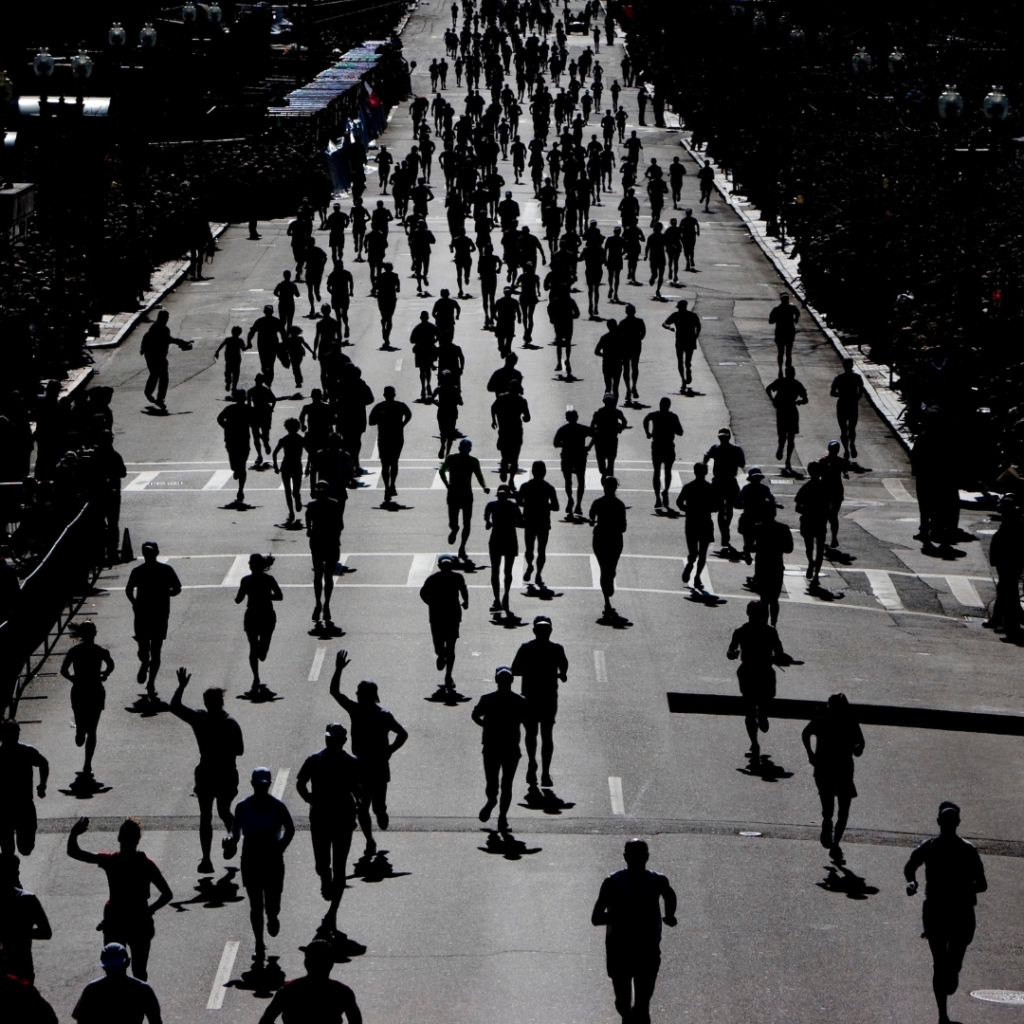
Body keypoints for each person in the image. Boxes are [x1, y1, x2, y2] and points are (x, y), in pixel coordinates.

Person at [904, 802, 988, 1024]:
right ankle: (942, 1015)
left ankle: (952, 974)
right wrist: (912, 882)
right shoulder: (928, 847)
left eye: (952, 822)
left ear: (957, 823)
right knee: (940, 963)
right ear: (939, 823)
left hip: (961, 913)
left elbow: (982, 883)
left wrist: (962, 889)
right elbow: (910, 866)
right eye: (946, 822)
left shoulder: (968, 850)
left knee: (952, 966)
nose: (948, 826)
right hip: (936, 912)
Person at [67, 817, 173, 981]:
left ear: (119, 838)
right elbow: (167, 894)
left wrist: (74, 834)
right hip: (139, 922)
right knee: (139, 971)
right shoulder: (145, 865)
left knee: (113, 970)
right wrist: (148, 911)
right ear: (137, 840)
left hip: (115, 921)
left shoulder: (111, 861)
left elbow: (74, 852)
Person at [591, 839, 677, 1024]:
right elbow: (596, 917)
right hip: (619, 951)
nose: (637, 860)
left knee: (642, 1006)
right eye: (633, 856)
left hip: (647, 950)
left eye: (640, 856)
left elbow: (669, 895)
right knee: (623, 1004)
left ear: (647, 857)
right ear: (625, 857)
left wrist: (670, 915)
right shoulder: (613, 882)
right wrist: (624, 917)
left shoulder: (657, 881)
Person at [329, 651, 408, 846]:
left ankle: (381, 813)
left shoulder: (383, 715)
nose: (356, 695)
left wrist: (390, 749)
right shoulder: (355, 710)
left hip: (379, 765)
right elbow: (335, 693)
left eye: (359, 693)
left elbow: (402, 733)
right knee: (362, 806)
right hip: (360, 765)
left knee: (377, 806)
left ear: (369, 696)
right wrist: (338, 669)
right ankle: (369, 840)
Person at [170, 667, 244, 874]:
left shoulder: (202, 719)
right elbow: (240, 750)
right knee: (217, 812)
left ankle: (213, 854)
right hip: (224, 773)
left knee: (212, 814)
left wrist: (181, 687)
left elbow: (175, 706)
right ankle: (218, 849)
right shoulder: (228, 723)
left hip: (212, 773)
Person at [296, 723, 362, 932]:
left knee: (341, 865)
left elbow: (358, 789)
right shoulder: (314, 759)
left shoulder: (352, 762)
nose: (330, 742)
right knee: (321, 864)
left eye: (335, 739)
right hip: (320, 818)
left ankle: (333, 911)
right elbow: (300, 782)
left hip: (343, 818)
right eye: (328, 738)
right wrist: (309, 799)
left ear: (343, 741)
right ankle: (325, 876)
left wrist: (359, 803)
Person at [224, 767, 295, 960]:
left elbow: (290, 828)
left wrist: (281, 847)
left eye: (264, 785)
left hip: (272, 856)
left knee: (272, 902)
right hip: (251, 856)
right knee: (255, 904)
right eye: (258, 785)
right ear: (253, 785)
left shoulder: (277, 806)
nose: (261, 788)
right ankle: (259, 944)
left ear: (268, 785)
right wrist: (230, 839)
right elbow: (235, 831)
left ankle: (272, 916)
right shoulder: (243, 806)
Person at [802, 693, 865, 863]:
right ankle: (832, 833)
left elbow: (805, 733)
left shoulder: (828, 721)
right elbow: (861, 743)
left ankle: (833, 835)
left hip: (831, 769)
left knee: (837, 807)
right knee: (839, 809)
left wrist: (810, 754)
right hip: (835, 769)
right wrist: (810, 753)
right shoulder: (841, 721)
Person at [511, 616, 568, 789]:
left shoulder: (529, 648)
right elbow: (564, 668)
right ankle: (539, 769)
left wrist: (528, 670)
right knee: (542, 734)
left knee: (536, 734)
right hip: (539, 697)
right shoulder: (553, 649)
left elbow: (514, 670)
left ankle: (539, 768)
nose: (543, 633)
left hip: (537, 697)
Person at [727, 600, 786, 761]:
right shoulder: (770, 632)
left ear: (748, 613)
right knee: (763, 701)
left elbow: (730, 652)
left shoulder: (740, 631)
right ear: (763, 614)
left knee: (749, 710)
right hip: (765, 671)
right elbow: (780, 653)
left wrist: (734, 653)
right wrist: (774, 657)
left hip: (747, 671)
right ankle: (763, 716)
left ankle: (754, 743)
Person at [471, 666, 528, 833]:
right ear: (512, 680)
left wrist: (486, 726)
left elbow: (475, 715)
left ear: (496, 680)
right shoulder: (520, 701)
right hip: (510, 747)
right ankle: (502, 818)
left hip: (491, 746)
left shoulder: (487, 699)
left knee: (492, 782)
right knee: (506, 784)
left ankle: (492, 803)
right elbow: (528, 719)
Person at [257, 939, 363, 1024]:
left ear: (306, 963)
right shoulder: (343, 992)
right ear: (331, 964)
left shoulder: (288, 990)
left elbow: (266, 1021)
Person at [59, 621, 114, 778]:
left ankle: (86, 760)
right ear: (94, 634)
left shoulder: (76, 651)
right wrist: (105, 673)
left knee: (88, 725)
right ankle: (86, 760)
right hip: (93, 689)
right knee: (91, 730)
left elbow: (64, 670)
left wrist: (73, 679)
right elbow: (111, 665)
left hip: (82, 690)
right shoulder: (99, 651)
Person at [72, 943, 162, 1024]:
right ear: (127, 962)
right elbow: (156, 1021)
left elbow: (82, 1021)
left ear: (103, 967)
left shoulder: (92, 989)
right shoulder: (143, 990)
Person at [234, 554, 283, 693]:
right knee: (259, 650)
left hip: (253, 615)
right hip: (266, 615)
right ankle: (256, 677)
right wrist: (267, 596)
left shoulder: (246, 580)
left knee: (255, 649)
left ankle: (256, 676)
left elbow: (238, 599)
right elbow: (279, 596)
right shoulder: (268, 579)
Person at [419, 554, 469, 689]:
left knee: (451, 647)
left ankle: (448, 675)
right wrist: (430, 603)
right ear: (440, 566)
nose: (446, 567)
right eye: (444, 565)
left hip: (450, 616)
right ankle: (441, 656)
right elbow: (423, 593)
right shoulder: (433, 579)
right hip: (438, 617)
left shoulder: (456, 578)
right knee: (439, 646)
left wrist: (465, 600)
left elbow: (463, 590)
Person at [0, 719, 48, 858]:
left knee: (25, 849)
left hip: (23, 806)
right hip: (6, 808)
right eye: (12, 734)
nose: (14, 737)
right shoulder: (23, 752)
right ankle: (10, 876)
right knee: (8, 851)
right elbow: (43, 763)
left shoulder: (26, 752)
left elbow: (43, 763)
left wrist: (42, 785)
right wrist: (42, 785)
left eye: (16, 734)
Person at [0, 852, 51, 982]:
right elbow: (46, 932)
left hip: (21, 970)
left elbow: (46, 932)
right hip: (22, 969)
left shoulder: (28, 900)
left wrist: (14, 933)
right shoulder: (28, 899)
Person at [439, 438, 490, 560]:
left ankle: (462, 547)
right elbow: (479, 476)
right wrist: (484, 486)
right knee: (460, 523)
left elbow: (442, 471)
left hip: (458, 495)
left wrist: (447, 485)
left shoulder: (457, 459)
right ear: (470, 449)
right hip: (462, 495)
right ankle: (456, 532)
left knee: (465, 523)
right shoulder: (470, 460)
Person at [305, 482, 345, 627]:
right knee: (327, 576)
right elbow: (340, 525)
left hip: (317, 542)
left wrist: (310, 529)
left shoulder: (312, 506)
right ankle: (326, 604)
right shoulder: (334, 505)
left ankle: (318, 604)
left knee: (318, 575)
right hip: (331, 542)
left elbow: (307, 518)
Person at [984, 495, 1024, 639]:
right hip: (1007, 562)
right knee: (1004, 591)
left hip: (1010, 562)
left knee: (1009, 594)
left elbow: (1010, 545)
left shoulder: (1014, 523)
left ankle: (1012, 627)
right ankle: (998, 620)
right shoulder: (1012, 520)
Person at [676, 462, 719, 590]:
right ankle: (697, 577)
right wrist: (708, 509)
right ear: (706, 473)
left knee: (694, 553)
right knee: (702, 553)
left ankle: (691, 567)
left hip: (692, 522)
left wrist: (688, 510)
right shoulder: (709, 488)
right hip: (704, 522)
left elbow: (679, 502)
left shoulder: (689, 487)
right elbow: (716, 506)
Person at [748, 504, 793, 627]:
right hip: (776, 566)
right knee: (774, 599)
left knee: (764, 598)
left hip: (762, 567)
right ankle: (773, 624)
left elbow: (750, 547)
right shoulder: (783, 528)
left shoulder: (758, 528)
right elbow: (789, 549)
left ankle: (764, 623)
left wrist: (759, 547)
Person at [589, 476, 627, 620]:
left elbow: (591, 517)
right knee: (608, 568)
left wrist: (594, 521)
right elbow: (623, 528)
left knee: (605, 569)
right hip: (614, 538)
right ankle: (607, 600)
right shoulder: (619, 505)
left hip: (600, 537)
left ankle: (607, 599)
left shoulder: (598, 503)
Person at [517, 461, 560, 586]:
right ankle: (538, 574)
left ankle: (531, 566)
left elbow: (519, 502)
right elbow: (556, 507)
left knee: (529, 549)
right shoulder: (549, 488)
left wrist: (529, 504)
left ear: (533, 471)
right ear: (544, 472)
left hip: (530, 521)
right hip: (543, 522)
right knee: (541, 550)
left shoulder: (525, 486)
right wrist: (545, 505)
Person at [703, 428, 746, 552]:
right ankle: (725, 533)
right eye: (722, 438)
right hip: (719, 481)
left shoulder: (735, 449)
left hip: (729, 481)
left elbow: (742, 463)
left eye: (724, 437)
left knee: (728, 509)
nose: (723, 440)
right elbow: (706, 456)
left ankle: (725, 531)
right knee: (722, 509)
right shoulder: (716, 448)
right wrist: (704, 465)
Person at [139, 310, 193, 409]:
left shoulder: (157, 327)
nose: (167, 320)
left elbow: (147, 337)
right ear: (162, 318)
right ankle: (154, 395)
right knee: (161, 376)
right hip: (156, 356)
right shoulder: (161, 328)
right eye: (166, 318)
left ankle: (154, 395)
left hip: (154, 356)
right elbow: (168, 339)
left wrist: (142, 349)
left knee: (157, 375)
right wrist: (182, 343)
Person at [368, 386, 413, 504]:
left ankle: (389, 485)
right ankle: (390, 485)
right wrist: (402, 423)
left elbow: (371, 421)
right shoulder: (395, 406)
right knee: (391, 463)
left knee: (388, 463)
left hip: (390, 438)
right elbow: (371, 421)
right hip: (391, 437)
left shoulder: (382, 406)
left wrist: (401, 423)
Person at [485, 484, 524, 615]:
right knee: (501, 570)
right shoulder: (512, 506)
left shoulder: (493, 505)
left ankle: (501, 597)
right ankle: (501, 597)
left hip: (500, 539)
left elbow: (487, 520)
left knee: (500, 570)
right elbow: (521, 522)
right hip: (507, 539)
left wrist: (492, 523)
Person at [765, 366, 808, 476]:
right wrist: (799, 402)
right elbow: (805, 399)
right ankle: (785, 454)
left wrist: (773, 399)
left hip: (784, 410)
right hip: (789, 410)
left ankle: (784, 453)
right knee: (789, 437)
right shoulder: (795, 384)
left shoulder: (782, 382)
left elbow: (768, 388)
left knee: (786, 436)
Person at [643, 398, 683, 509]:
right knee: (667, 472)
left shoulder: (655, 415)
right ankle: (665, 491)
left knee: (657, 472)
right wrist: (671, 428)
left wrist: (648, 432)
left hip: (657, 445)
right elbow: (680, 432)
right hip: (668, 445)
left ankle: (657, 498)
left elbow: (646, 419)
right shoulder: (673, 417)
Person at [553, 408, 593, 518]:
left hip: (567, 456)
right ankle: (578, 504)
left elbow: (555, 443)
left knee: (568, 481)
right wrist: (588, 447)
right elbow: (596, 434)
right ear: (577, 418)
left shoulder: (563, 429)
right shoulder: (582, 429)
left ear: (567, 418)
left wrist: (565, 445)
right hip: (580, 456)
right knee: (580, 481)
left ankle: (570, 499)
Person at [491, 380, 531, 487]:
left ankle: (505, 471)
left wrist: (494, 420)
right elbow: (527, 417)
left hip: (504, 430)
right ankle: (511, 479)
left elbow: (493, 408)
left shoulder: (502, 398)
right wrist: (523, 417)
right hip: (516, 431)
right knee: (514, 458)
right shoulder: (521, 400)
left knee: (505, 456)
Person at [794, 461, 829, 585]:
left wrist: (807, 511)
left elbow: (797, 507)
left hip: (808, 521)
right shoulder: (824, 488)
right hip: (819, 522)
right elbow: (828, 508)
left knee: (809, 548)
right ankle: (815, 575)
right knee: (819, 549)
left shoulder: (806, 487)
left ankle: (811, 564)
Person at [217, 389, 253, 505]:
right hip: (232, 441)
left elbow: (255, 422)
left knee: (242, 466)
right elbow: (219, 418)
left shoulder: (247, 409)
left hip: (242, 441)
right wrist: (226, 427)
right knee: (235, 466)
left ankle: (240, 490)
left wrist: (226, 427)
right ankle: (237, 472)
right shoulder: (231, 409)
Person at [661, 299, 701, 394]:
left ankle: (683, 379)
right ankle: (687, 373)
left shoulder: (676, 315)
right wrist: (696, 336)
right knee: (687, 361)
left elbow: (664, 324)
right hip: (690, 340)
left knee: (681, 361)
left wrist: (669, 328)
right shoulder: (692, 315)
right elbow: (698, 326)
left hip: (680, 340)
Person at [272, 418, 307, 524]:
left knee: (288, 491)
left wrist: (276, 466)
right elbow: (309, 451)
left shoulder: (284, 439)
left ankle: (292, 510)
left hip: (287, 466)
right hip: (296, 466)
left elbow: (275, 453)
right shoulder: (300, 439)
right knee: (293, 490)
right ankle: (295, 502)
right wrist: (309, 464)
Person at [830, 357, 865, 460]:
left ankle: (846, 449)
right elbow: (861, 391)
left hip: (842, 404)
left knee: (843, 430)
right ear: (852, 365)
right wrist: (856, 397)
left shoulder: (839, 378)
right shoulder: (857, 377)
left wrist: (841, 395)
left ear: (843, 366)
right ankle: (852, 443)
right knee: (852, 428)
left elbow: (832, 392)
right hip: (853, 404)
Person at [247, 306, 287, 385]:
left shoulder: (260, 321)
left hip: (263, 345)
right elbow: (283, 333)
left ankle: (268, 380)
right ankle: (268, 381)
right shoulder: (275, 321)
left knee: (265, 364)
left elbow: (252, 332)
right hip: (271, 344)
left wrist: (249, 342)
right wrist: (284, 343)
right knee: (269, 364)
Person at [590, 394, 627, 479]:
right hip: (609, 439)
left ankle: (608, 478)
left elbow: (592, 425)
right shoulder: (615, 412)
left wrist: (595, 432)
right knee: (609, 461)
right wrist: (620, 429)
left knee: (605, 461)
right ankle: (608, 477)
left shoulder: (599, 412)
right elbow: (624, 422)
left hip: (603, 440)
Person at [619, 304, 647, 403]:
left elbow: (618, 337)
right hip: (635, 346)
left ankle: (628, 389)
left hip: (626, 348)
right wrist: (638, 339)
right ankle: (633, 387)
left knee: (626, 369)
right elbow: (643, 333)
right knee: (634, 367)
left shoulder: (623, 323)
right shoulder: (639, 322)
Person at [769, 292, 800, 373]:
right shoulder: (792, 307)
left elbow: (770, 321)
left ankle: (781, 368)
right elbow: (798, 313)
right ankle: (786, 368)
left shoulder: (776, 309)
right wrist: (795, 319)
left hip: (781, 332)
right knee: (788, 352)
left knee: (781, 352)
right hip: (788, 332)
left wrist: (777, 319)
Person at [213, 326, 249, 393]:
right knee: (236, 373)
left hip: (229, 358)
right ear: (240, 333)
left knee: (228, 371)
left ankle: (228, 382)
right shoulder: (240, 341)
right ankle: (234, 387)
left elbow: (221, 345)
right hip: (236, 359)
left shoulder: (228, 339)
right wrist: (248, 346)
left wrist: (217, 352)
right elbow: (243, 349)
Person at [680, 207, 700, 272]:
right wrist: (698, 231)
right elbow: (697, 225)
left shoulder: (684, 220)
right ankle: (689, 260)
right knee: (690, 249)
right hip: (690, 236)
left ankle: (689, 261)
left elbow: (680, 228)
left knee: (687, 249)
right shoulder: (692, 219)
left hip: (687, 236)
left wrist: (680, 235)